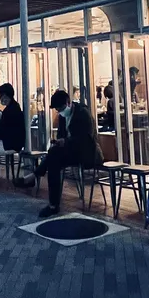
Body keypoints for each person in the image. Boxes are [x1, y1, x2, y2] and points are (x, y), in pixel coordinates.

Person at [14, 89, 102, 217]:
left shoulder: (83, 114)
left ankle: (35, 179)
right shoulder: (63, 116)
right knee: (53, 159)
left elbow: (86, 139)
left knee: (53, 154)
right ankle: (52, 203)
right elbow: (62, 135)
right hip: (72, 152)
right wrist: (61, 142)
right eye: (57, 109)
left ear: (68, 102)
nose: (59, 111)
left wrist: (65, 141)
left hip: (87, 153)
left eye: (60, 108)